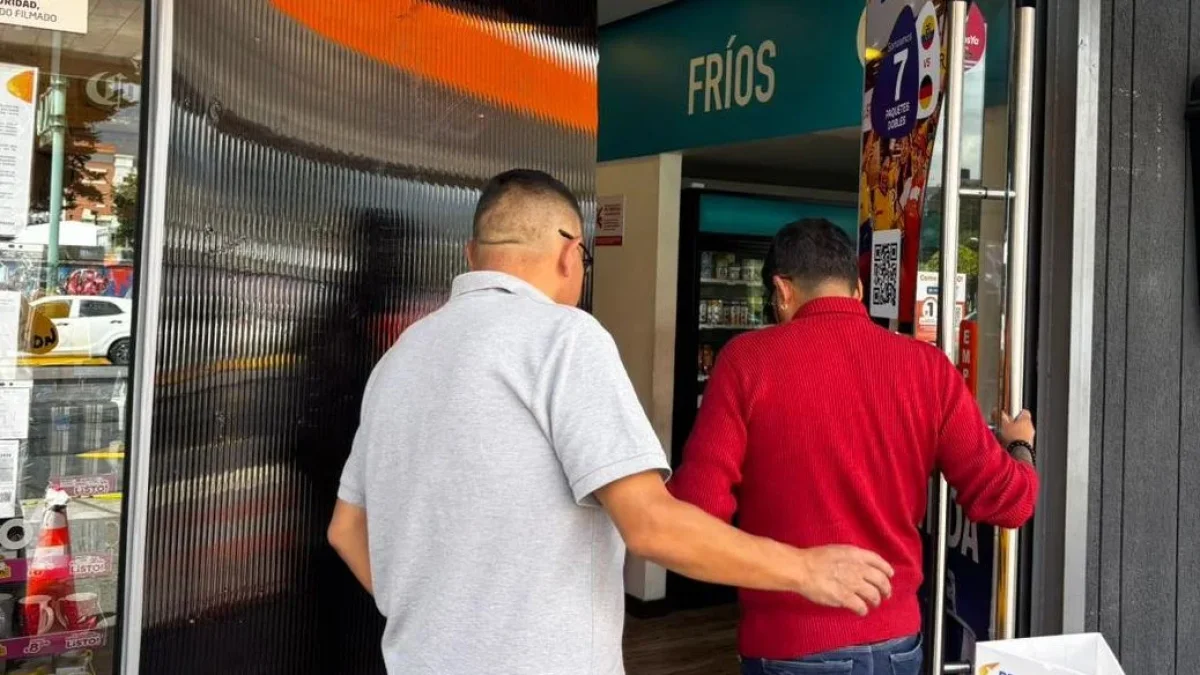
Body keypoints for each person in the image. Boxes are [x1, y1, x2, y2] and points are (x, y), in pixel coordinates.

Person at [327, 171, 896, 675]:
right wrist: (803, 568)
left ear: (471, 254)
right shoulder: (564, 337)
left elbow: (346, 530)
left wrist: (438, 619)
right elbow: (651, 526)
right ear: (570, 254)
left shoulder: (400, 357)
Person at [669, 218, 1039, 675]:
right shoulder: (928, 369)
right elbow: (1010, 502)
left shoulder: (747, 361)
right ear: (859, 289)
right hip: (896, 643)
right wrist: (1019, 447)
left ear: (782, 291)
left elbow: (696, 515)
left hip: (788, 645)